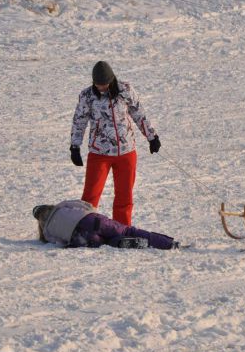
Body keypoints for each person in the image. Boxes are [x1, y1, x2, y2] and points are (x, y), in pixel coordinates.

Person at [70, 61, 163, 227]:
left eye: (104, 84)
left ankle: (122, 229)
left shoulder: (125, 90)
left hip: (126, 152)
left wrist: (151, 137)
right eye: (98, 85)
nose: (101, 88)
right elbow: (79, 121)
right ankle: (84, 228)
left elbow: (139, 113)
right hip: (99, 153)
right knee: (91, 196)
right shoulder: (87, 96)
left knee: (124, 196)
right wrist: (75, 146)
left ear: (111, 80)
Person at [33, 200, 179, 250]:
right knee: (128, 230)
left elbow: (59, 241)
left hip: (80, 237)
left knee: (107, 243)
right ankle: (168, 244)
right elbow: (85, 205)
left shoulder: (46, 232)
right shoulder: (60, 206)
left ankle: (121, 243)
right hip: (90, 220)